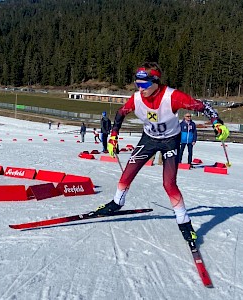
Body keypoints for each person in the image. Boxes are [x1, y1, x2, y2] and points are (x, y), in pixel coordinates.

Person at [93, 62, 229, 248]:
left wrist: (217, 122)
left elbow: (203, 106)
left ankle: (184, 223)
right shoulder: (136, 98)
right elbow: (120, 113)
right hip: (148, 139)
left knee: (169, 184)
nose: (141, 89)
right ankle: (117, 202)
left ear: (156, 82)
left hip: (170, 141)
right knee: (127, 173)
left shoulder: (172, 96)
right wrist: (113, 136)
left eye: (145, 84)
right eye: (137, 84)